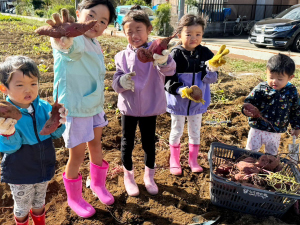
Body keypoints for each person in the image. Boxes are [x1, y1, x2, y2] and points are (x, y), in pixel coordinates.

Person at [49, 0, 116, 218]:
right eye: (91, 15)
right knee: (76, 155)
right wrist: (63, 38)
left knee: (96, 145)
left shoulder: (95, 43)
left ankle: (97, 185)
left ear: (106, 27)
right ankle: (74, 197)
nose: (95, 23)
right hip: (76, 108)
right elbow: (67, 47)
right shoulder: (75, 39)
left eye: (103, 21)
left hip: (94, 106)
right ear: (78, 13)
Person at [112, 5, 176, 196]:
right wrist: (121, 81)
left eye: (138, 30)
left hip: (150, 107)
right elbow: (116, 83)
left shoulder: (156, 53)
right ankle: (129, 177)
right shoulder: (121, 56)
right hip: (129, 108)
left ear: (148, 30)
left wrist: (163, 60)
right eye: (129, 32)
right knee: (127, 143)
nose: (134, 35)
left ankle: (149, 176)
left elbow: (170, 71)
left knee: (149, 142)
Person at [0, 56, 67, 225]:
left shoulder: (43, 107)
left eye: (33, 83)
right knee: (22, 206)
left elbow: (55, 135)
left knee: (39, 201)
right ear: (4, 88)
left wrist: (58, 122)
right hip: (20, 170)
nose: (28, 90)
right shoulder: (4, 116)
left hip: (43, 164)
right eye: (20, 85)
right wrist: (8, 132)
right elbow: (10, 147)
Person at [165, 14, 224, 176]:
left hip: (198, 102)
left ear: (202, 35)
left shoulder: (205, 54)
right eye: (189, 34)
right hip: (179, 102)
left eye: (198, 34)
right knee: (176, 130)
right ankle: (174, 160)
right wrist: (181, 90)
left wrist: (211, 68)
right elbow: (167, 80)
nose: (193, 38)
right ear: (179, 35)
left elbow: (210, 80)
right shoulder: (175, 55)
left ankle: (193, 160)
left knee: (195, 131)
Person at [242, 53, 300, 155]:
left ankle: (268, 167)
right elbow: (248, 102)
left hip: (275, 130)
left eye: (280, 79)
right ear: (266, 73)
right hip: (257, 127)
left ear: (290, 77)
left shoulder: (291, 91)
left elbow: (295, 110)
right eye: (271, 77)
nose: (274, 81)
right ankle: (248, 165)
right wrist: (246, 110)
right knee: (250, 152)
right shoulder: (261, 88)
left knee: (271, 154)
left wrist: (296, 127)